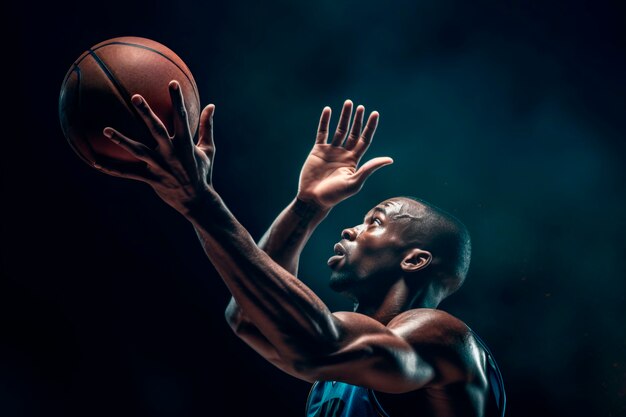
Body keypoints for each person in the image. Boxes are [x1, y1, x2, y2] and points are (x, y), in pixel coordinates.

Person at [94, 80, 506, 417]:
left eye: (374, 223)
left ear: (414, 259)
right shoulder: (347, 364)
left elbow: (315, 344)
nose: (350, 228)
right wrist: (307, 206)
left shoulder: (442, 338)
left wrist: (200, 202)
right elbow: (248, 318)